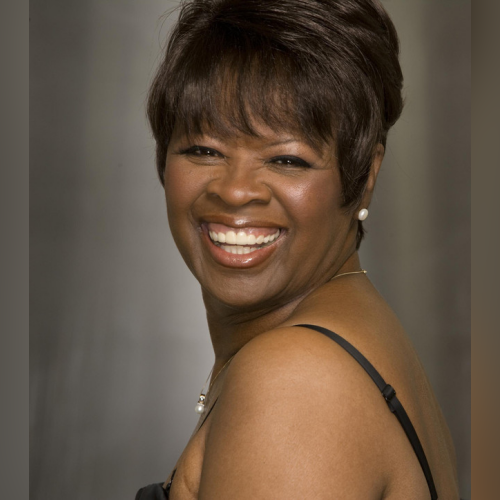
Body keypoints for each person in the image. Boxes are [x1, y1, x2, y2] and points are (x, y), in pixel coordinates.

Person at [136, 0, 460, 498]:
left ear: (364, 176)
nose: (235, 190)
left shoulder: (297, 381)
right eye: (203, 150)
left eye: (287, 160)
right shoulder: (343, 341)